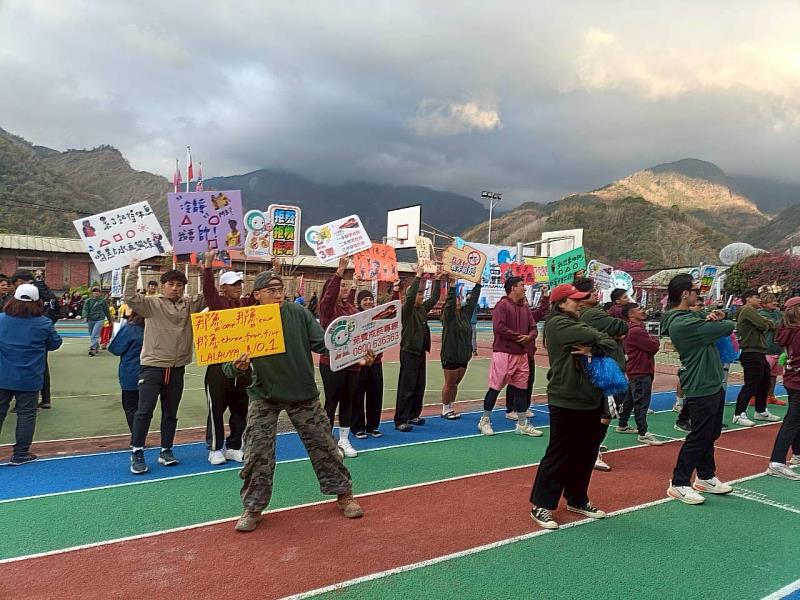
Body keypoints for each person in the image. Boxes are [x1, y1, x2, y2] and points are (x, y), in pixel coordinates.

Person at [223, 270, 363, 532]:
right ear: (257, 295)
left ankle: (344, 494)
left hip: (302, 393)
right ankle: (253, 507)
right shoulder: (244, 321)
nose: (278, 294)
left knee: (325, 445)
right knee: (256, 452)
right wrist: (239, 367)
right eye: (271, 290)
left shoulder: (299, 314)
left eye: (280, 289)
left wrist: (355, 350)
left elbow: (324, 344)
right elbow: (227, 369)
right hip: (263, 395)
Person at [529, 283, 616, 529]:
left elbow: (608, 343)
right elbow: (599, 337)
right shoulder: (558, 324)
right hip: (566, 397)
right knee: (560, 452)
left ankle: (577, 498)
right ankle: (541, 505)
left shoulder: (576, 324)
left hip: (588, 396)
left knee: (586, 451)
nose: (580, 303)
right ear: (561, 303)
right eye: (574, 300)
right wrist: (597, 342)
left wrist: (595, 346)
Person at [124, 259, 206, 474]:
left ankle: (166, 450)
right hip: (153, 366)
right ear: (162, 285)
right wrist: (133, 269)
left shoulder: (189, 304)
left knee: (171, 412)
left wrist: (206, 267)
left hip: (177, 367)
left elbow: (209, 295)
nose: (175, 288)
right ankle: (137, 451)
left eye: (179, 285)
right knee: (144, 411)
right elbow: (130, 297)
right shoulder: (151, 304)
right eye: (171, 284)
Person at [663, 274, 736, 505]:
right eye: (696, 291)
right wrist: (719, 319)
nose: (699, 295)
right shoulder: (682, 323)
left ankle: (705, 476)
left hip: (711, 382)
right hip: (700, 384)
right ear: (685, 294)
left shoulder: (691, 318)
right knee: (699, 435)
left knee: (710, 433)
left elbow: (720, 320)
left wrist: (715, 315)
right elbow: (728, 326)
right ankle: (679, 482)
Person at [0, 284, 62, 465]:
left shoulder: (2, 319)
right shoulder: (43, 323)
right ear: (37, 302)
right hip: (29, 376)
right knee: (26, 414)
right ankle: (20, 453)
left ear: (13, 299)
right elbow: (55, 344)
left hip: (3, 374)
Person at [202, 257, 253, 465]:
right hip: (218, 367)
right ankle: (214, 448)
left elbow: (261, 299)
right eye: (233, 284)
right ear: (223, 288)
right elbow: (208, 291)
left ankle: (234, 446)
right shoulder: (217, 304)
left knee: (241, 408)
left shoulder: (245, 304)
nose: (238, 287)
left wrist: (275, 270)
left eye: (239, 283)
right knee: (216, 409)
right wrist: (207, 267)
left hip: (243, 366)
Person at [574, 277, 628, 471]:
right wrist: (610, 334)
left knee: (596, 412)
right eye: (593, 290)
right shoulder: (593, 314)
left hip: (595, 367)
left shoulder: (589, 314)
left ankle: (589, 445)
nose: (597, 293)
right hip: (601, 369)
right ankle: (592, 450)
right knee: (605, 413)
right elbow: (621, 328)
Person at [479, 276, 542, 437]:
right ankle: (484, 420)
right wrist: (519, 336)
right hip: (504, 353)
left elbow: (533, 328)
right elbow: (499, 327)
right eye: (522, 285)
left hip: (521, 354)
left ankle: (522, 424)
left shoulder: (525, 308)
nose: (525, 288)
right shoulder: (502, 305)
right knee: (495, 388)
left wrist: (530, 336)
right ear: (513, 288)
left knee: (521, 389)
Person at [319, 257, 361, 457]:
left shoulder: (351, 309)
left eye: (347, 286)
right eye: (341, 286)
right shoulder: (328, 310)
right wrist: (339, 271)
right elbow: (328, 298)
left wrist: (364, 356)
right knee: (331, 401)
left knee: (348, 401)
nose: (345, 288)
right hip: (332, 363)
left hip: (353, 364)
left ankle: (344, 439)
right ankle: (328, 442)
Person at [394, 264, 442, 432]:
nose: (422, 296)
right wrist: (418, 276)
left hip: (420, 352)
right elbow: (412, 294)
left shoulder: (422, 309)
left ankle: (413, 414)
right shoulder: (406, 311)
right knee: (406, 387)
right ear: (412, 296)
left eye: (422, 293)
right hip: (408, 351)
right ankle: (400, 419)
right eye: (419, 294)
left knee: (419, 385)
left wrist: (438, 280)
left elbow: (434, 298)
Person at [9, 270, 58, 408]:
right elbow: (55, 342)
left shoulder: (20, 298)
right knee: (41, 367)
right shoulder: (47, 292)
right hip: (41, 333)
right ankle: (45, 398)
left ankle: (23, 401)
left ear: (19, 282)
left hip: (21, 334)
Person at [732, 289, 780, 427]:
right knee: (751, 384)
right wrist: (766, 323)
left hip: (759, 352)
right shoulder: (747, 310)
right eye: (756, 297)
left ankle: (761, 410)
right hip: (751, 352)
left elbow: (767, 323)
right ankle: (739, 413)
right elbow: (763, 324)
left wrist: (766, 323)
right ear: (748, 299)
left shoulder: (752, 311)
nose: (759, 300)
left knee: (764, 381)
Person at [620, 302, 664, 446]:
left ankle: (623, 423)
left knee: (631, 398)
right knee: (641, 402)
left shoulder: (636, 329)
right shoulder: (636, 331)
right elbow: (652, 346)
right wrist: (655, 341)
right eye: (639, 309)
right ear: (631, 314)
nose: (643, 311)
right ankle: (643, 433)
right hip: (640, 370)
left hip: (637, 369)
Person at [439, 276, 481, 420]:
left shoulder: (465, 315)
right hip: (450, 354)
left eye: (459, 299)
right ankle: (445, 408)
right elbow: (450, 304)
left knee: (456, 383)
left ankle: (451, 406)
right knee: (450, 383)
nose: (458, 301)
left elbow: (473, 301)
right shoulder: (448, 317)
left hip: (463, 355)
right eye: (456, 299)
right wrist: (452, 287)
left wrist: (478, 285)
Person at [767, 297, 800, 480]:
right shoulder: (798, 332)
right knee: (793, 420)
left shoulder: (787, 330)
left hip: (791, 378)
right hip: (797, 379)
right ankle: (777, 462)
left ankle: (797, 453)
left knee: (796, 418)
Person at [511, 287, 550, 421]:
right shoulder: (512, 315)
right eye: (523, 301)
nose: (525, 303)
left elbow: (542, 309)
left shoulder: (531, 316)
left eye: (526, 301)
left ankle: (524, 407)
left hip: (529, 354)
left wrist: (545, 294)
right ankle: (511, 409)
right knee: (514, 382)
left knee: (529, 381)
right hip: (516, 354)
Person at [352, 289, 385, 438]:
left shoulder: (379, 316)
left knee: (375, 395)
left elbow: (394, 314)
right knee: (357, 396)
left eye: (370, 299)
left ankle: (373, 426)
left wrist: (396, 290)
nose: (368, 302)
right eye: (364, 299)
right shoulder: (354, 317)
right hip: (359, 364)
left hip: (376, 363)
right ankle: (357, 427)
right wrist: (354, 286)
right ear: (359, 302)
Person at [108, 312, 145, 433]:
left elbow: (115, 348)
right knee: (144, 406)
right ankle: (140, 434)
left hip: (131, 372)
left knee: (130, 406)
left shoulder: (131, 329)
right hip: (151, 371)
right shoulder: (155, 328)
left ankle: (137, 436)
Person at [759, 293, 787, 406]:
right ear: (764, 304)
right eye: (772, 301)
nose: (775, 303)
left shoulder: (778, 313)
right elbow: (774, 325)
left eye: (775, 301)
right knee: (762, 375)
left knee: (774, 375)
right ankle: (755, 396)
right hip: (767, 349)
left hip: (778, 349)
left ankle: (771, 396)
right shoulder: (761, 314)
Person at [82, 287, 111, 357]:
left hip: (99, 319)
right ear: (92, 293)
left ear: (100, 293)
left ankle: (92, 349)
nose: (96, 293)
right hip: (90, 319)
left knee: (95, 335)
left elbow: (106, 310)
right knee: (91, 334)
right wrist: (85, 316)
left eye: (97, 291)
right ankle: (96, 346)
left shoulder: (103, 301)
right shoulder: (88, 301)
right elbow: (85, 309)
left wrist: (110, 319)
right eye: (94, 291)